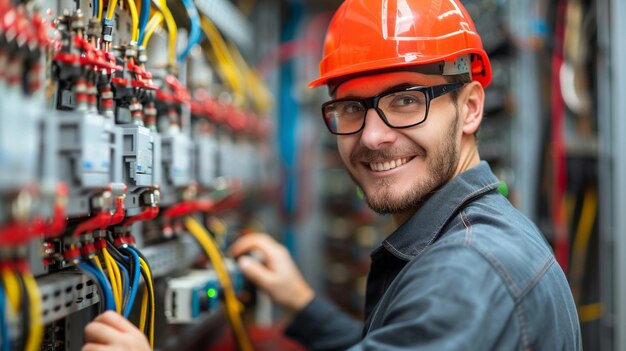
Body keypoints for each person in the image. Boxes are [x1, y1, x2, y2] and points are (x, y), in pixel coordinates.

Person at [83, 0, 582, 350]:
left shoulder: (466, 275)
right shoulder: (476, 238)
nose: (372, 137)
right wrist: (303, 307)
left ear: (470, 107)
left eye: (405, 100)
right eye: (349, 108)